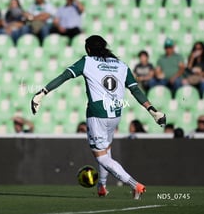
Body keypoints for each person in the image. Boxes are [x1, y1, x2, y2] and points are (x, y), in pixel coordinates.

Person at [31, 35, 166, 199]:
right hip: (115, 114)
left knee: (101, 157)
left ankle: (135, 185)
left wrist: (42, 92)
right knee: (106, 150)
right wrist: (153, 111)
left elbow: (64, 76)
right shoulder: (121, 65)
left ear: (88, 49)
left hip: (97, 114)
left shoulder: (87, 61)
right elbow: (135, 90)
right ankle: (101, 187)